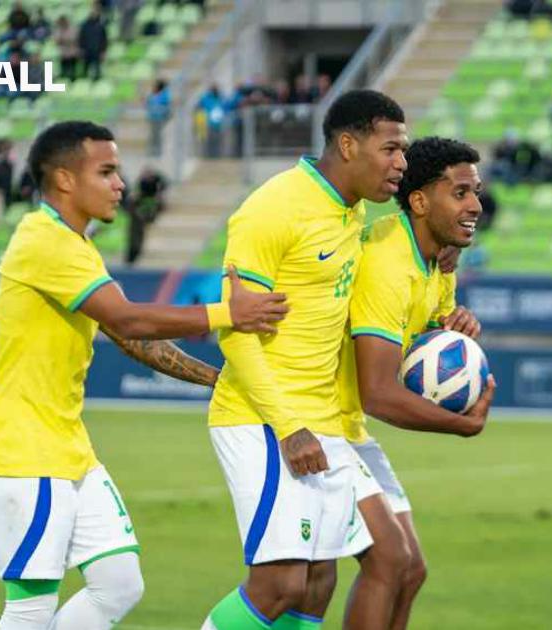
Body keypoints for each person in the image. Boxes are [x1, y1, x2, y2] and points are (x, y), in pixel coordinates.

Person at [0, 121, 288, 630]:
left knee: (118, 583)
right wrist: (228, 313)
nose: (121, 184)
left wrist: (216, 378)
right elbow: (127, 318)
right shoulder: (44, 240)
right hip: (20, 452)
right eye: (107, 171)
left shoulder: (74, 246)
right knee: (30, 607)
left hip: (65, 447)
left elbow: (130, 336)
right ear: (66, 180)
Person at [200, 89, 408, 630]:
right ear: (347, 143)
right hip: (265, 420)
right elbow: (236, 330)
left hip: (325, 424)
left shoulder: (352, 212)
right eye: (390, 149)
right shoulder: (273, 207)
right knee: (279, 583)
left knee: (317, 587)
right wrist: (289, 426)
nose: (400, 164)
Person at [339, 137, 495, 630]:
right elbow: (378, 392)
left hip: (346, 424)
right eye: (462, 192)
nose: (476, 205)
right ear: (421, 201)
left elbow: (425, 330)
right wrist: (459, 424)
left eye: (477, 191)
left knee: (410, 570)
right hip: (313, 419)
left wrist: (451, 325)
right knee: (386, 560)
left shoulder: (439, 256)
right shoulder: (388, 264)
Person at [126, 165, 167, 265]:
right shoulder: (141, 181)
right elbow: (137, 192)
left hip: (151, 199)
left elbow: (163, 187)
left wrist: (159, 195)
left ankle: (150, 217)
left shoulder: (158, 179)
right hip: (142, 202)